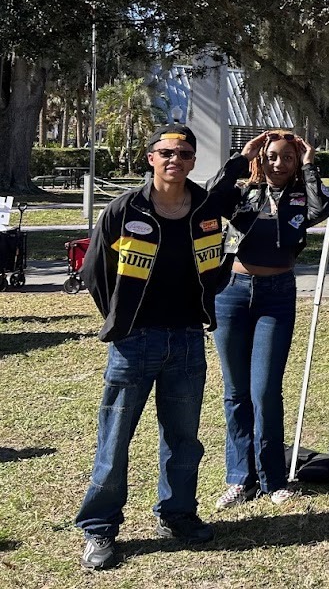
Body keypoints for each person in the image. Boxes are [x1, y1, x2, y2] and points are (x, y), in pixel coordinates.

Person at [75, 124, 241, 570]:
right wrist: (121, 319)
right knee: (115, 439)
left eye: (184, 153)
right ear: (151, 158)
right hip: (135, 342)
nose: (175, 160)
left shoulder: (206, 210)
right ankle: (100, 530)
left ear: (192, 161)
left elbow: (216, 267)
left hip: (187, 339)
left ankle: (178, 514)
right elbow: (95, 272)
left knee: (184, 439)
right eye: (167, 152)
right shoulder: (123, 208)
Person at [213, 130, 329, 509]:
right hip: (231, 292)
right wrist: (240, 156)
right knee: (236, 392)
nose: (278, 164)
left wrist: (312, 165)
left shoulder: (301, 197)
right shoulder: (242, 193)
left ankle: (273, 479)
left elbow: (322, 208)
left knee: (265, 391)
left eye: (287, 158)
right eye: (271, 157)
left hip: (277, 296)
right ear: (260, 160)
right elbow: (209, 199)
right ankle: (239, 478)